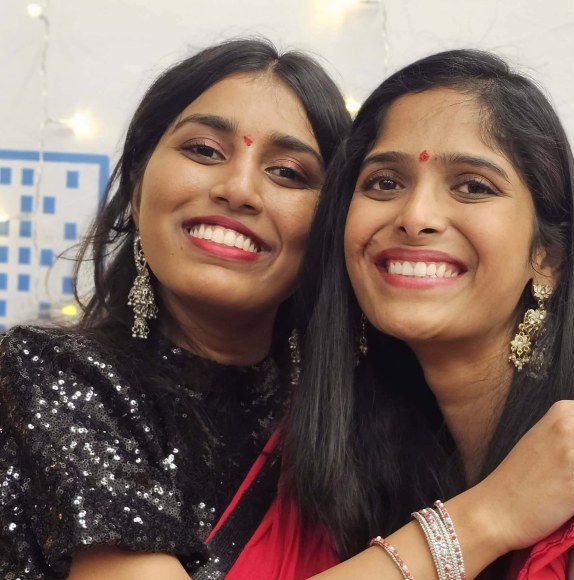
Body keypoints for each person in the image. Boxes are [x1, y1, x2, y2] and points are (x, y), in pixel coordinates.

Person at [0, 38, 351, 579]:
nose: (239, 189)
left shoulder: (347, 417)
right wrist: (483, 520)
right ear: (138, 192)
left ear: (330, 229)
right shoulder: (50, 371)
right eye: (205, 151)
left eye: (287, 172)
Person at [284, 49, 574, 579]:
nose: (415, 217)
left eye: (473, 186)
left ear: (549, 258)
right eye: (385, 182)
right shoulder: (367, 454)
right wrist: (490, 513)